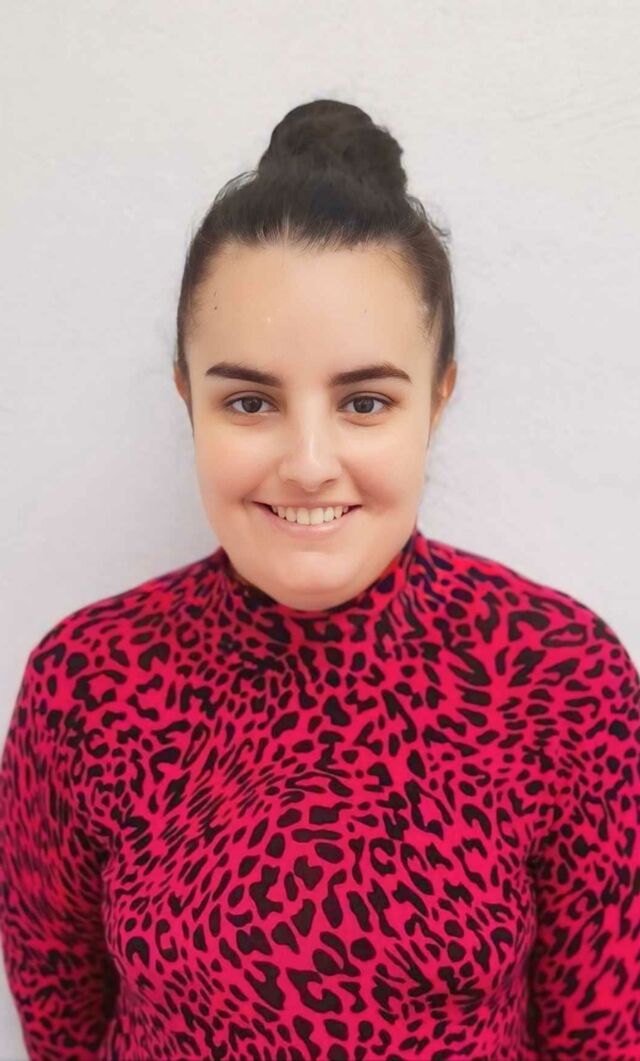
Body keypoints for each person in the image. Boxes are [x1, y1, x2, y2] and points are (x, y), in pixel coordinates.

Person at [0, 99, 638, 1061]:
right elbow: (62, 1024)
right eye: (249, 401)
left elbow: (603, 1038)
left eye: (365, 401)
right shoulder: (86, 683)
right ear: (187, 397)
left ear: (439, 399)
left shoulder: (563, 680)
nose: (307, 463)